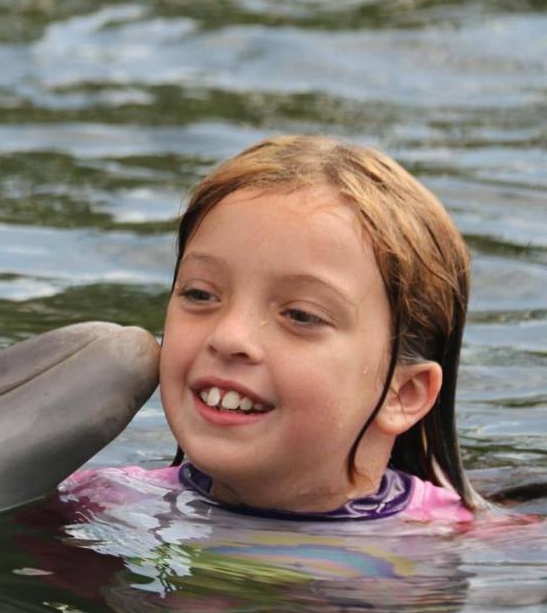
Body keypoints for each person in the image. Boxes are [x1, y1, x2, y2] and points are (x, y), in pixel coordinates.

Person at [64, 134, 481, 523]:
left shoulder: (463, 545)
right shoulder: (102, 508)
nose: (228, 337)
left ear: (403, 394)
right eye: (200, 294)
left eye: (301, 315)